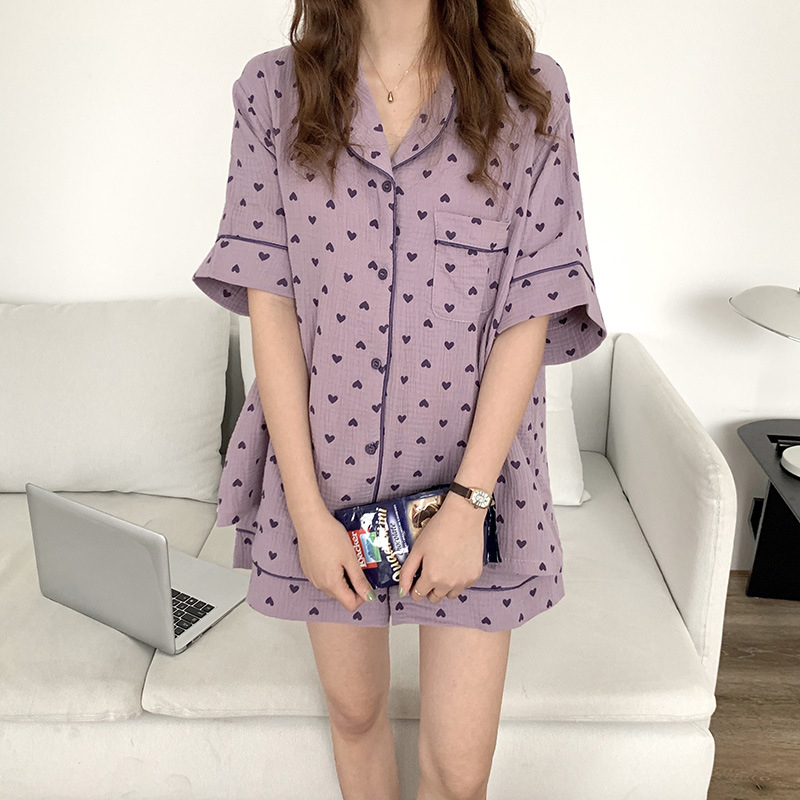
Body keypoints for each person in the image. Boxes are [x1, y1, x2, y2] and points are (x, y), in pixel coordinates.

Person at [192, 1, 606, 797]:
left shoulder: (528, 94)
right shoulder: (271, 93)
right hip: (328, 479)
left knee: (458, 774)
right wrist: (306, 515)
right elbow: (271, 310)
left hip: (474, 486)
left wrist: (468, 506)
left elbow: (531, 309)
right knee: (354, 718)